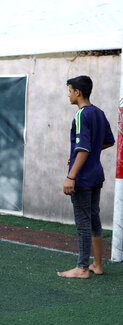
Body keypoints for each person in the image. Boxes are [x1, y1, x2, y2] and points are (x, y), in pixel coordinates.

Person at [57, 75, 115, 279]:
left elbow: (83, 148)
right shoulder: (99, 113)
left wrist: (71, 176)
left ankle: (82, 268)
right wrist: (78, 154)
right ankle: (97, 265)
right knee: (94, 219)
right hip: (96, 174)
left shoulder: (81, 115)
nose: (68, 94)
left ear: (77, 92)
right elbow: (108, 141)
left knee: (83, 222)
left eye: (70, 90)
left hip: (82, 177)